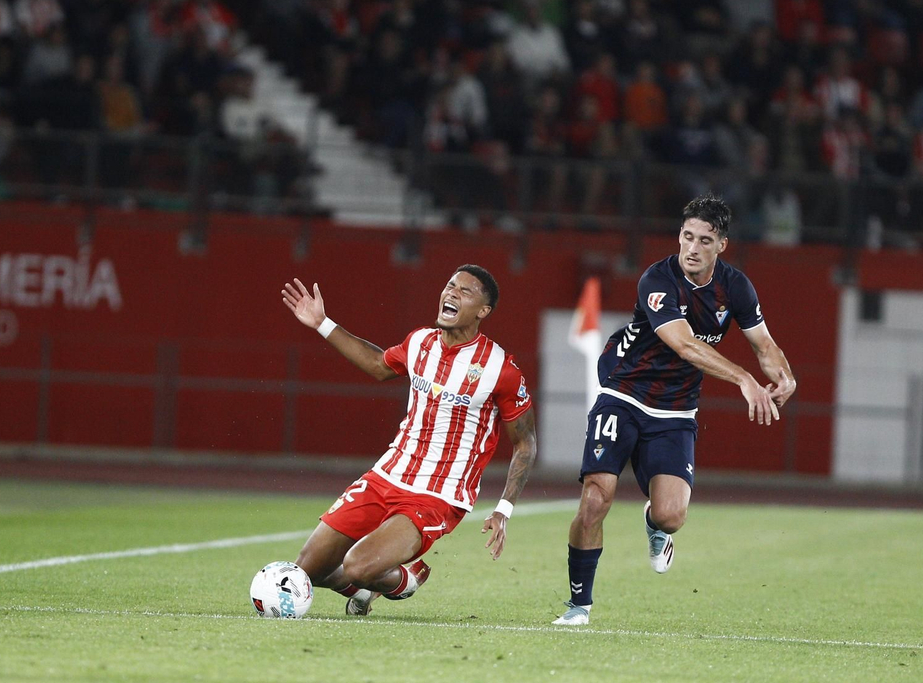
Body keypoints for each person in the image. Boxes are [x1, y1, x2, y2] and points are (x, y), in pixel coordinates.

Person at [555, 195, 795, 626]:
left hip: (675, 410)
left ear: (722, 244)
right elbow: (684, 343)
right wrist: (743, 379)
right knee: (595, 499)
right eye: (687, 237)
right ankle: (579, 606)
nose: (693, 248)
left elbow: (765, 345)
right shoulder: (657, 279)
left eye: (705, 240)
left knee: (671, 514)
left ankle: (655, 526)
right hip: (623, 390)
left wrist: (786, 376)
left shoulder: (735, 287)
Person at [280, 267, 536, 615]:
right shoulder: (420, 342)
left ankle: (402, 579)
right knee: (306, 571)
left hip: (438, 494)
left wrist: (503, 509)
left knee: (356, 565)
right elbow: (376, 364)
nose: (452, 293)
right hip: (386, 475)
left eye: (465, 291)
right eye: (449, 285)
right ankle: (385, 581)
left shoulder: (499, 368)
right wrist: (323, 323)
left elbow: (525, 443)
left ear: (483, 311)